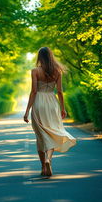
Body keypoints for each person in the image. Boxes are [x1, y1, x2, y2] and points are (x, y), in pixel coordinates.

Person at [23, 47, 77, 177]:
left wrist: (27, 111)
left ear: (40, 57)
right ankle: (49, 160)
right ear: (51, 56)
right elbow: (59, 92)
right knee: (52, 132)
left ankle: (43, 167)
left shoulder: (35, 71)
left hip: (39, 103)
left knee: (40, 135)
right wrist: (63, 108)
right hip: (52, 103)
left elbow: (34, 91)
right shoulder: (58, 71)